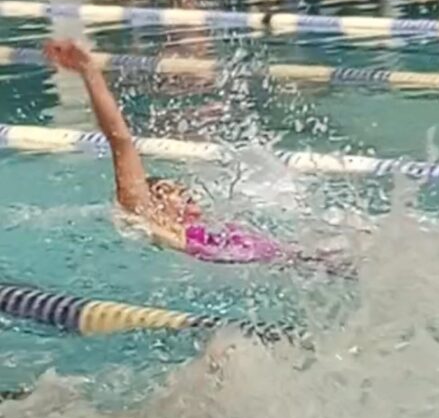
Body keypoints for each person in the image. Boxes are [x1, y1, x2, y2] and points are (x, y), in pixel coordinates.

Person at [42, 39, 340, 268]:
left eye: (180, 188)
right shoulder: (159, 224)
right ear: (151, 204)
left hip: (303, 260)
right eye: (165, 191)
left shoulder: (214, 224)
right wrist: (89, 71)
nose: (182, 192)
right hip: (295, 268)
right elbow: (121, 141)